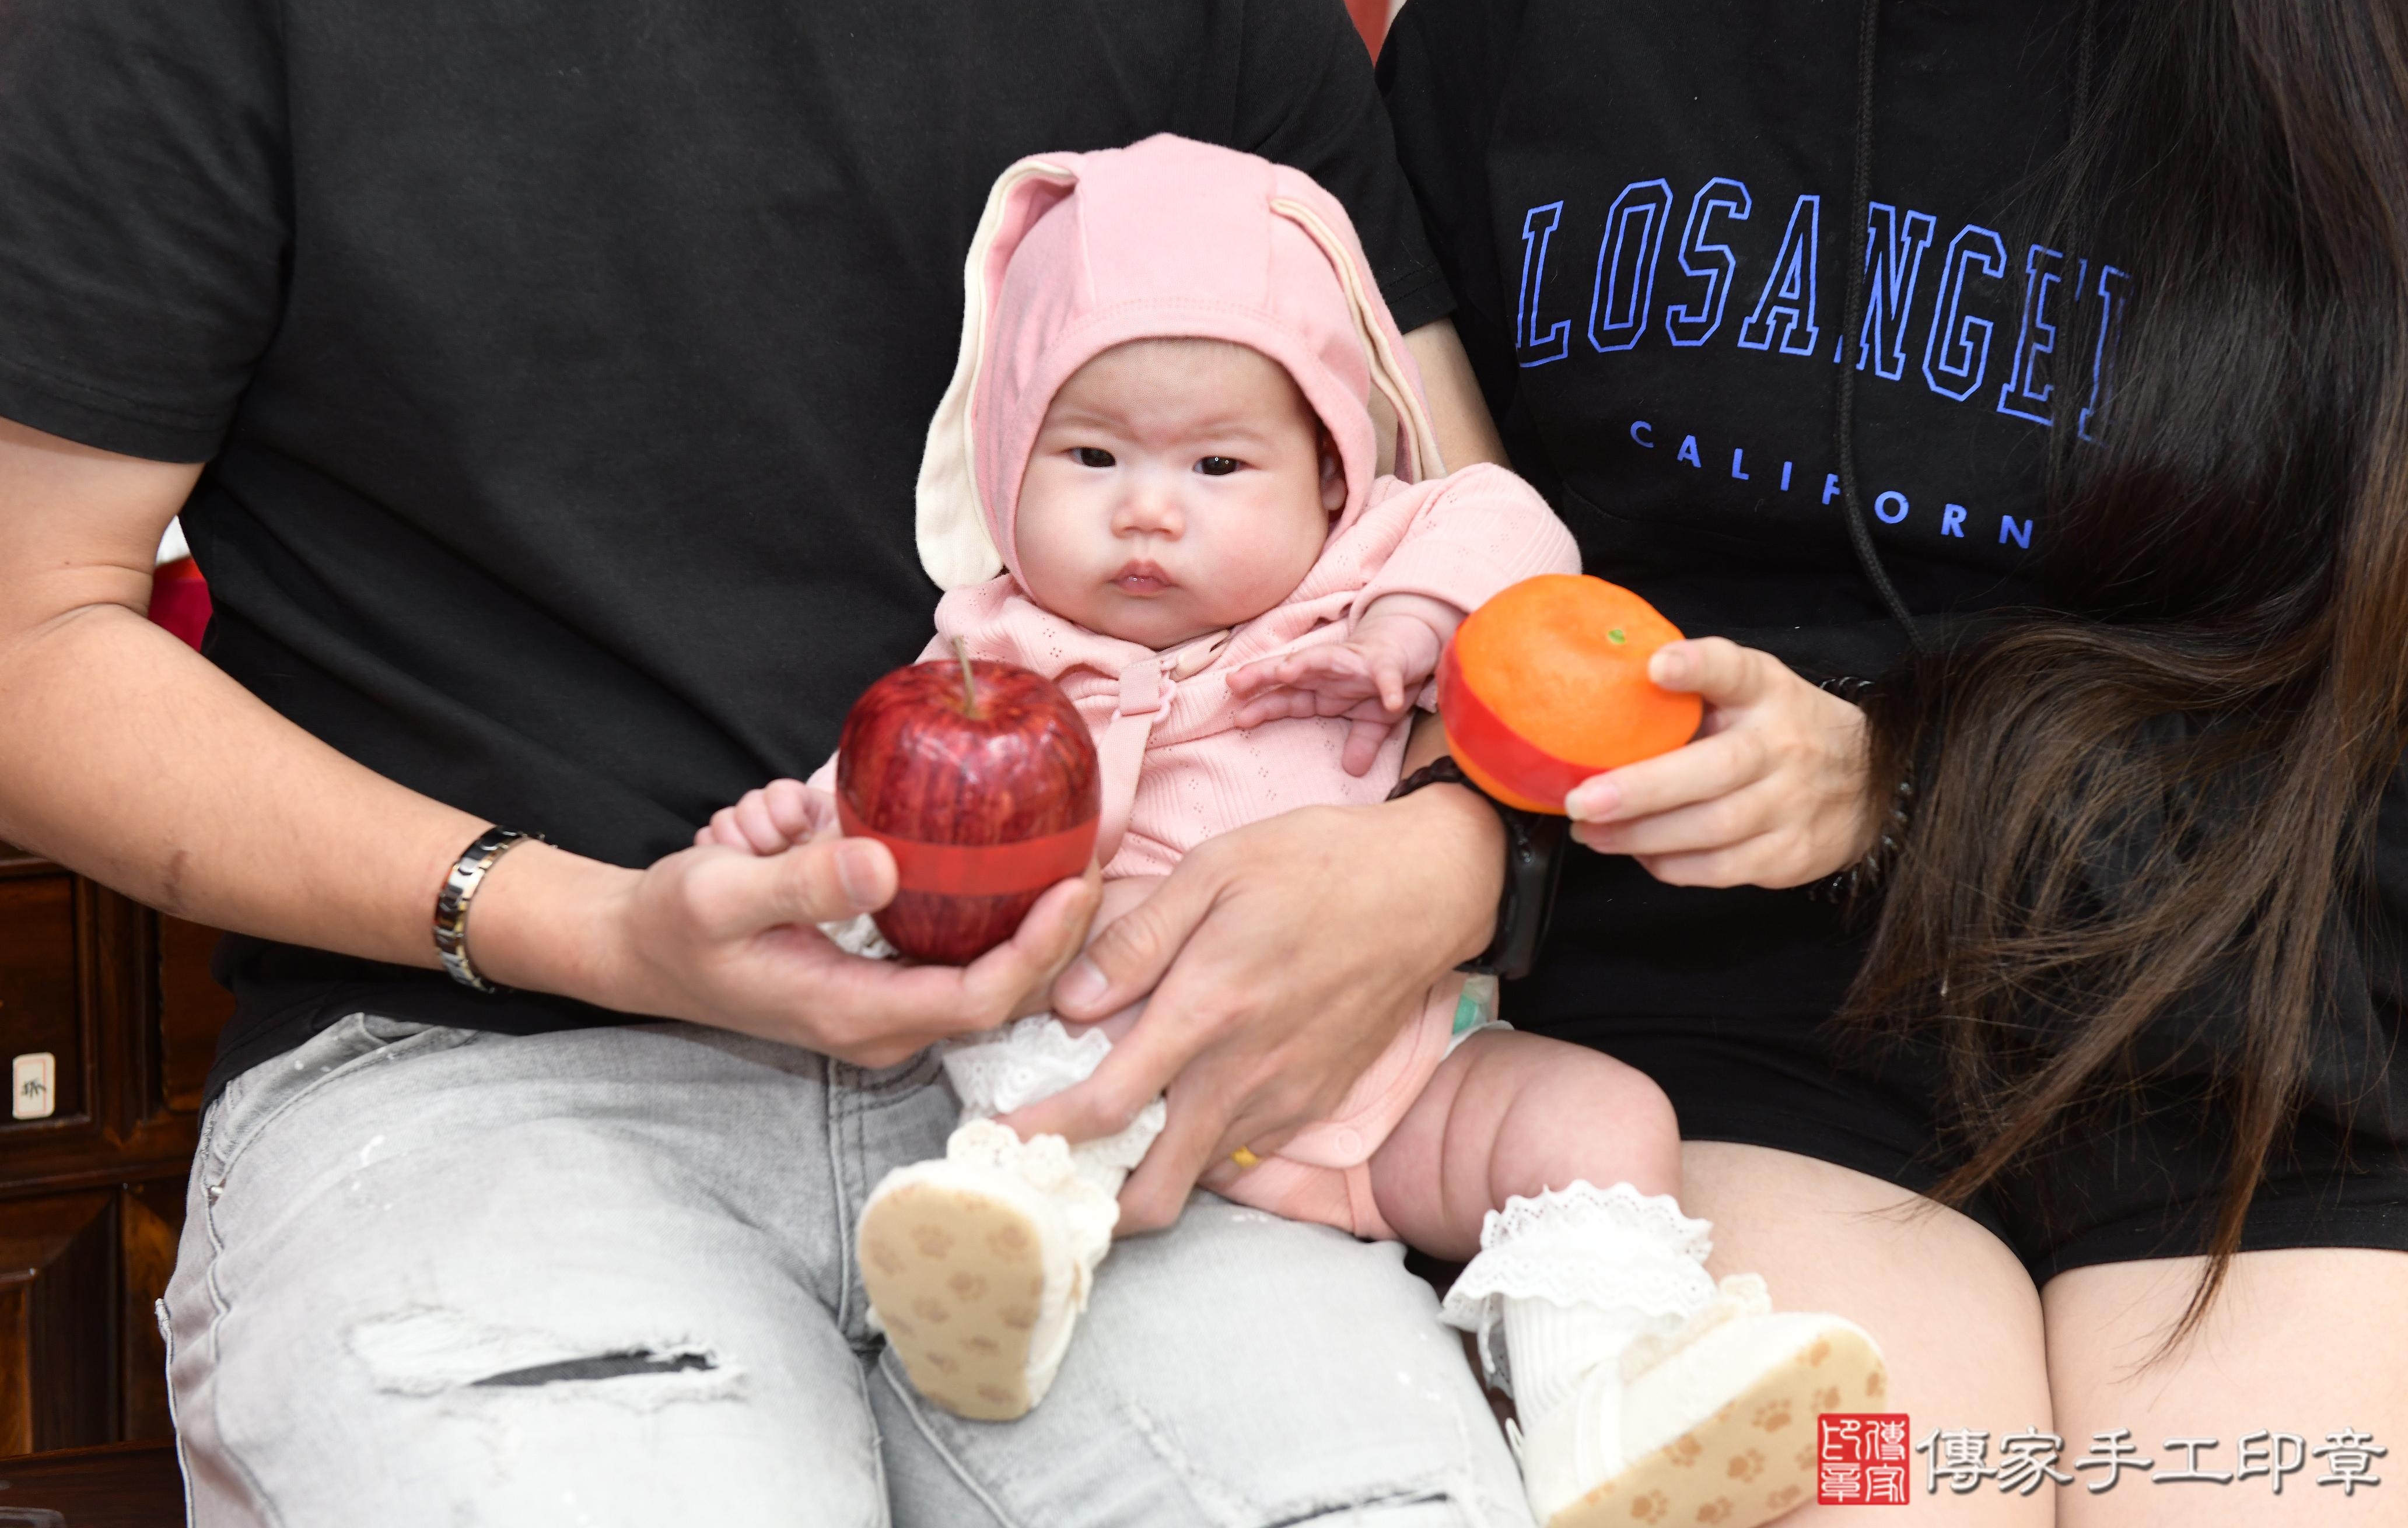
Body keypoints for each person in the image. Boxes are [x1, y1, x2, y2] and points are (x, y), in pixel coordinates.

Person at [0, 0, 1549, 1522]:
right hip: (480, 1071)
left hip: (1136, 1069)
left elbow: (1456, 532)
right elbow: (27, 632)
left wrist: (1454, 851)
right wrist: (594, 928)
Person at [700, 135, 1885, 1528]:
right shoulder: (996, 652)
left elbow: (1508, 523)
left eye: (1218, 462)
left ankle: (1598, 1400)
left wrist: (1413, 621)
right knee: (1053, 1015)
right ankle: (1021, 1245)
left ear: (1332, 475)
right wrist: (800, 837)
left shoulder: (1361, 570)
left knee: (1605, 1115)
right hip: (1128, 1058)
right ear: (1005, 467)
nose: (1149, 508)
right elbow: (900, 822)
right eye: (1089, 455)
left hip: (1396, 1079)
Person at [1378, 0, 2408, 1522]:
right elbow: (1395, 586)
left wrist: (1908, 776)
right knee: (1887, 1489)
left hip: (2266, 1020)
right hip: (1733, 1022)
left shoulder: (2361, 34)